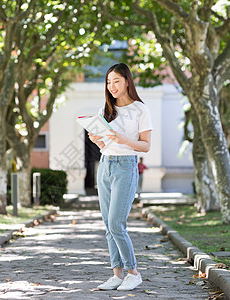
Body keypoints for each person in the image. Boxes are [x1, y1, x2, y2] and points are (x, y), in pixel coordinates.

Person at [88, 63, 153, 291]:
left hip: (126, 167)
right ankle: (117, 275)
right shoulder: (105, 109)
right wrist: (96, 139)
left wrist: (124, 140)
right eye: (108, 82)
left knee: (117, 222)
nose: (111, 86)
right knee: (108, 224)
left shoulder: (140, 110)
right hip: (105, 166)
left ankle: (133, 272)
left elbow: (146, 146)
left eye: (116, 81)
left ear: (127, 81)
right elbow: (104, 144)